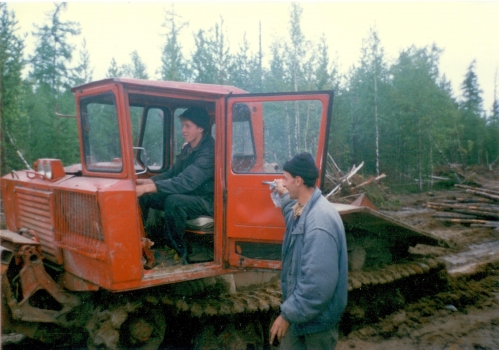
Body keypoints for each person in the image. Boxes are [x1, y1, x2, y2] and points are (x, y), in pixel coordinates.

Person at [269, 152, 348, 349]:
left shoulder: (319, 221)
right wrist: (283, 194)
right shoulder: (304, 207)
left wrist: (286, 315)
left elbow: (317, 285)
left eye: (286, 179)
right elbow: (293, 218)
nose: (283, 183)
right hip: (304, 317)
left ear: (298, 180)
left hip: (315, 327)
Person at [136, 106, 214, 264]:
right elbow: (172, 173)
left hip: (207, 200)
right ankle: (144, 242)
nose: (183, 130)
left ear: (200, 128)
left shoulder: (209, 152)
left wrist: (147, 187)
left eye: (187, 126)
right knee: (146, 197)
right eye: (182, 126)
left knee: (174, 201)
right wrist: (147, 182)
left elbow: (187, 181)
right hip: (191, 194)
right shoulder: (189, 148)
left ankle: (177, 252)